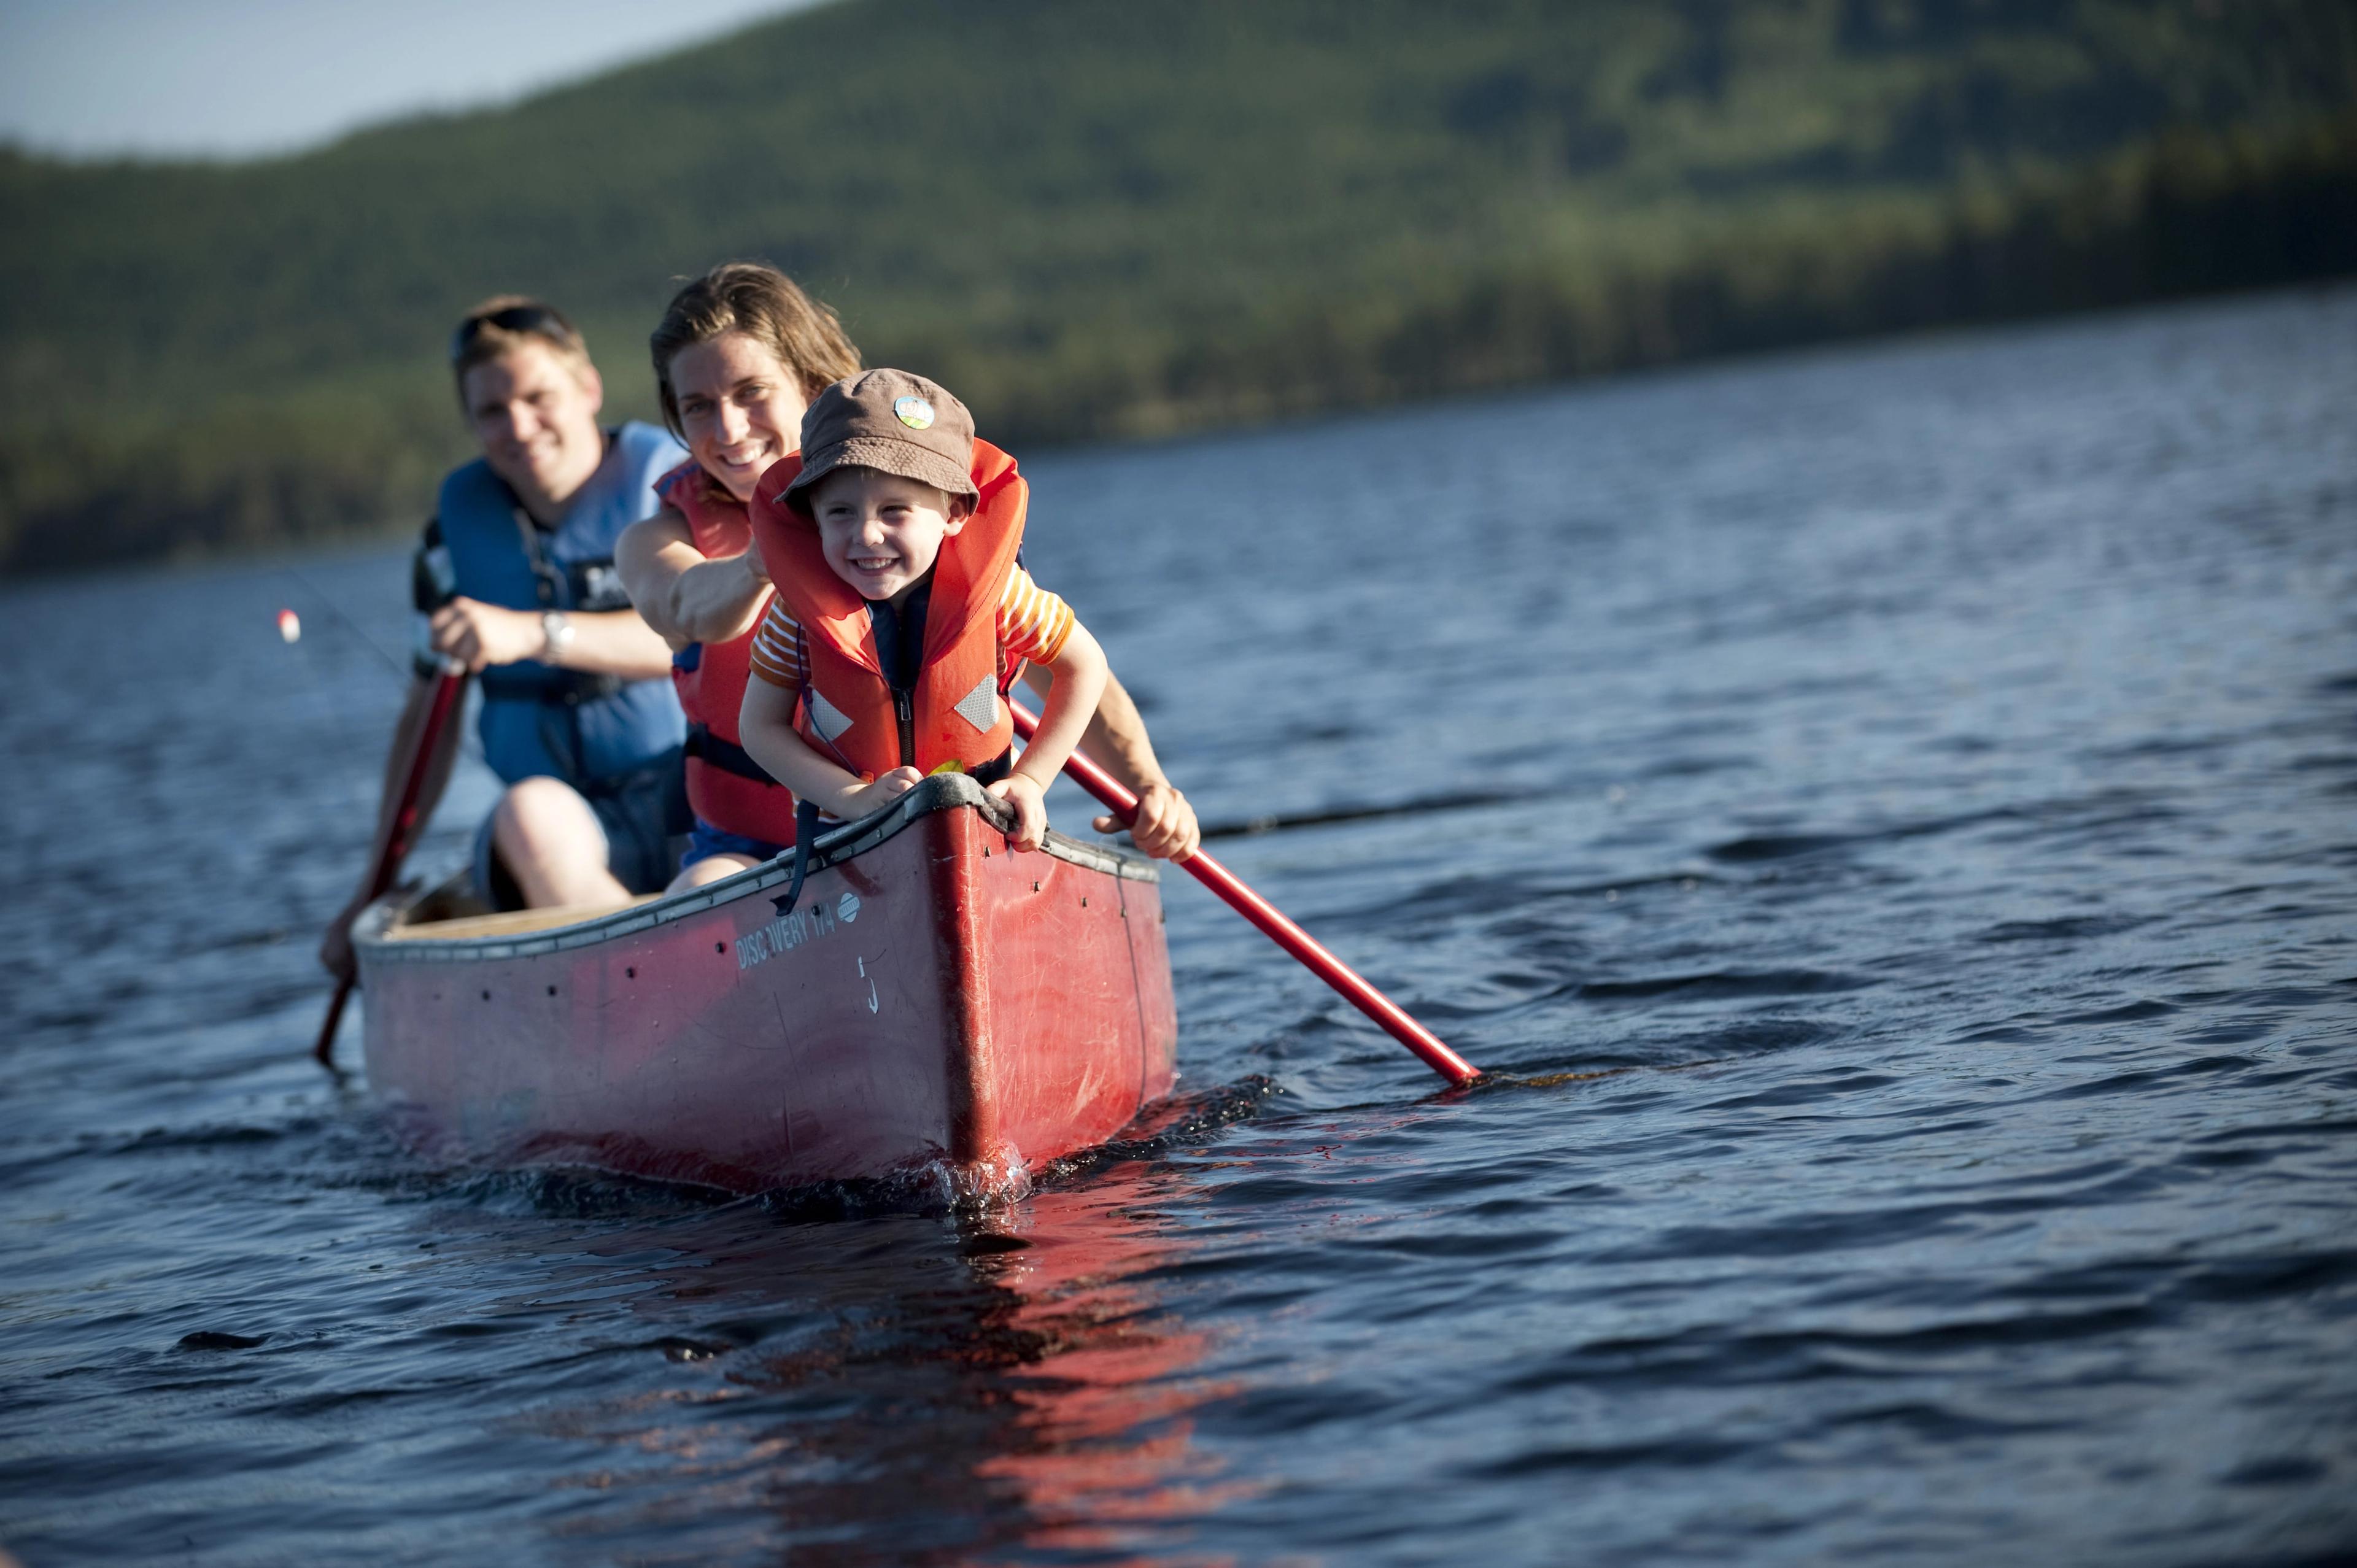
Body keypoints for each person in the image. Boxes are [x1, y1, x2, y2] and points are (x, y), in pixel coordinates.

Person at [616, 262, 1199, 891]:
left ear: (813, 388)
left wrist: (1147, 787)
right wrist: (776, 557)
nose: (728, 429)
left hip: (940, 825)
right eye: (698, 406)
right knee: (703, 890)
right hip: (753, 850)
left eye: (751, 392)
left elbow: (1069, 664)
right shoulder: (657, 538)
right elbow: (685, 607)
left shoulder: (919, 513)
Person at [318, 298, 689, 983]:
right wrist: (373, 884)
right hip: (562, 832)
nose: (519, 426)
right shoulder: (448, 546)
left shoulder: (678, 494)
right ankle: (659, 982)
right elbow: (426, 719)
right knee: (529, 812)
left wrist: (532, 634)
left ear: (588, 390)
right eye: (492, 411)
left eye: (537, 396)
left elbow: (702, 634)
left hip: (694, 787)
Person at [738, 369, 1104, 849]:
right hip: (847, 832)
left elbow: (1085, 667)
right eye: (841, 512)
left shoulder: (1001, 595)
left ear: (954, 513)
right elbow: (759, 727)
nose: (867, 535)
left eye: (894, 510)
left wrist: (1032, 780)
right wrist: (852, 797)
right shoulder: (795, 615)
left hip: (986, 814)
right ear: (814, 519)